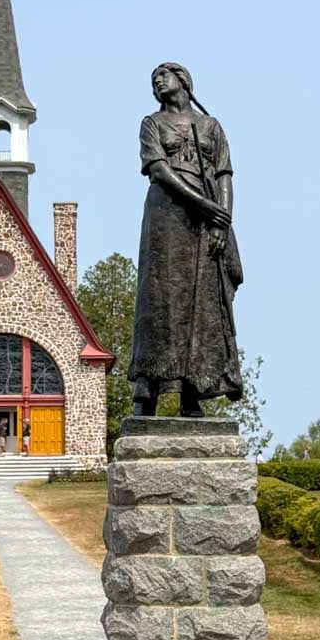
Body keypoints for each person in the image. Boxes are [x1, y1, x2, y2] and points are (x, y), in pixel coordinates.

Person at [128, 62, 243, 417]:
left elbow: (224, 173)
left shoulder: (211, 126)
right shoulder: (152, 123)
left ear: (183, 81)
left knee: (203, 301)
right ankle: (146, 391)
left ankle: (193, 392)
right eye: (153, 80)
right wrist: (203, 204)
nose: (157, 81)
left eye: (164, 75)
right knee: (160, 300)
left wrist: (221, 222)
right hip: (167, 215)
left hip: (206, 221)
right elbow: (159, 169)